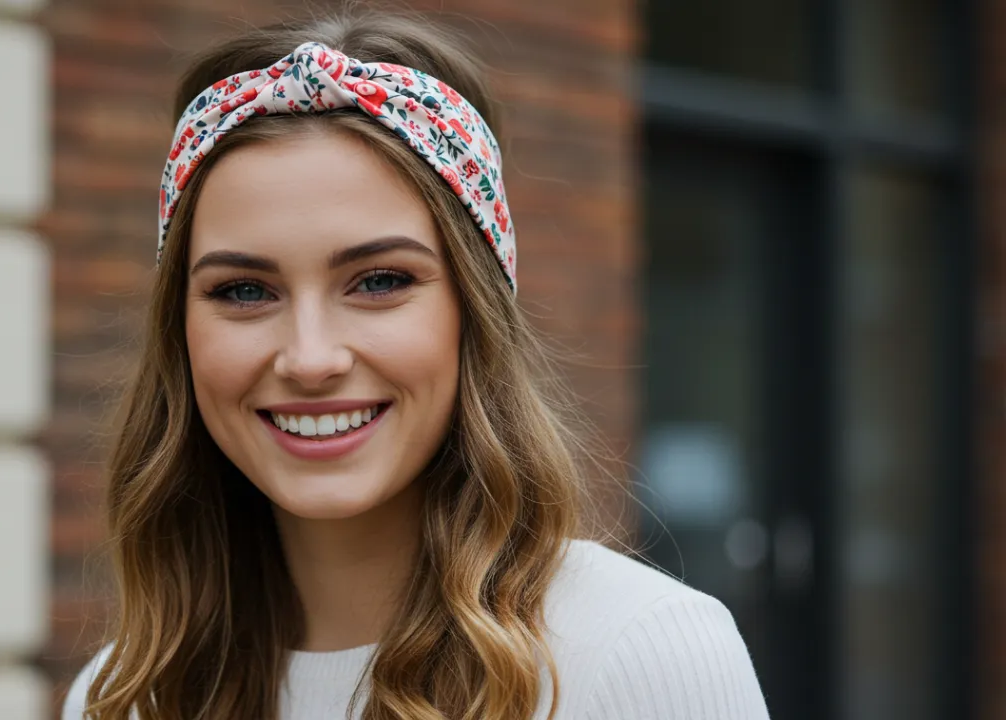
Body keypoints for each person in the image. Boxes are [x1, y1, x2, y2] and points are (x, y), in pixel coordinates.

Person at [63, 9, 769, 720]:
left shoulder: (643, 655)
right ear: (178, 333)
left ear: (474, 309)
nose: (311, 358)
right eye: (244, 291)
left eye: (378, 282)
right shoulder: (120, 696)